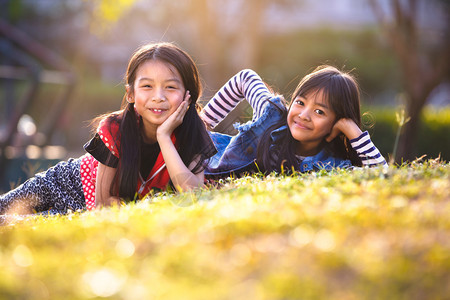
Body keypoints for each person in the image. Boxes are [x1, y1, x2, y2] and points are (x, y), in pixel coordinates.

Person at [0, 42, 216, 217]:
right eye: (147, 86)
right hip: (67, 183)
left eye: (170, 87)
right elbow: (103, 203)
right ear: (130, 94)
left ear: (187, 95)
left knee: (22, 223)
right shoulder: (115, 127)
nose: (158, 96)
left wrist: (164, 137)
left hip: (84, 212)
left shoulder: (194, 132)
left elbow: (193, 194)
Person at [200, 66, 387, 178]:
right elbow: (244, 78)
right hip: (200, 159)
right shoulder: (272, 115)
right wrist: (201, 126)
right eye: (300, 102)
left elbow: (382, 174)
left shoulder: (332, 165)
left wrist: (351, 130)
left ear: (336, 123)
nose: (304, 115)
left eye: (319, 111)